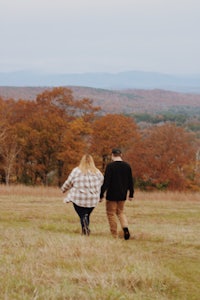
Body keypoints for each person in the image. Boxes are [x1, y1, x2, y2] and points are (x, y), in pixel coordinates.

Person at [61, 154, 104, 235]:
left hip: (79, 198)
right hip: (92, 200)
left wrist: (63, 189)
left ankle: (85, 229)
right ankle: (86, 228)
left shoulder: (76, 171)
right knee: (86, 215)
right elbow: (102, 182)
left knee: (83, 214)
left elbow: (68, 182)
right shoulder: (97, 172)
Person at [100, 148, 134, 240]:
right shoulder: (127, 166)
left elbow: (106, 182)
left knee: (111, 214)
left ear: (112, 155)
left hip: (111, 194)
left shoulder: (110, 166)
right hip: (122, 194)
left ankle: (114, 235)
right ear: (121, 155)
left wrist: (101, 194)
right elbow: (130, 181)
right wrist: (131, 194)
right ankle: (125, 228)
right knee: (120, 212)